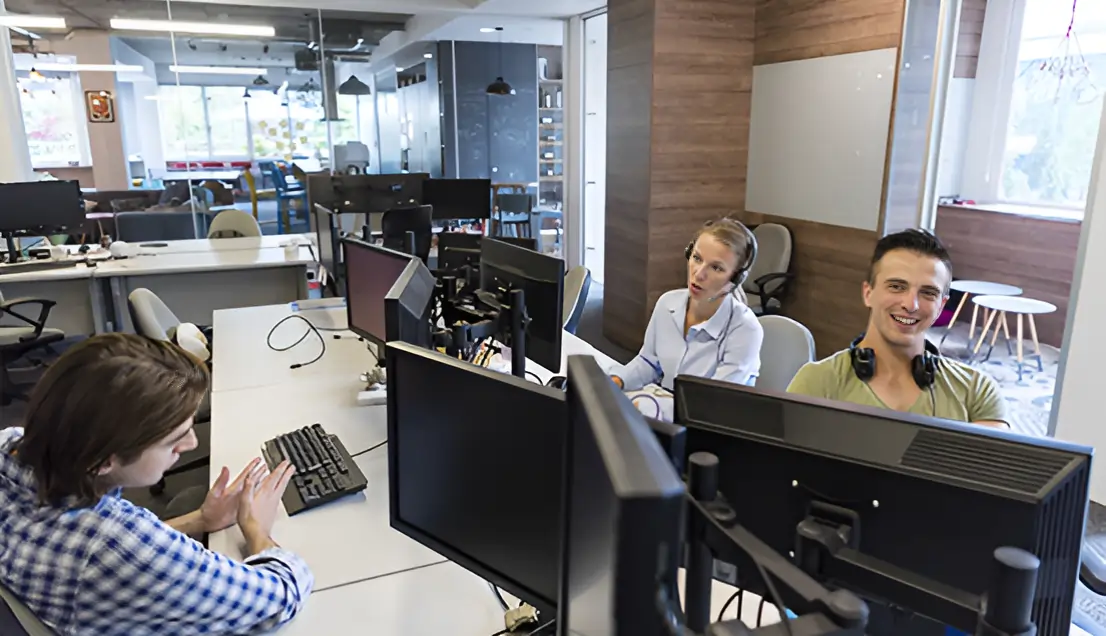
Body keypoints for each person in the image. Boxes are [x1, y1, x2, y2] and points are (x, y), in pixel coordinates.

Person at [0, 333, 312, 635]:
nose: (191, 444)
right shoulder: (116, 543)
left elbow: (94, 546)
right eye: (174, 440)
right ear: (104, 461)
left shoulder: (10, 444)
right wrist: (256, 528)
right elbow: (281, 595)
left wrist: (201, 520)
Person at [787, 229, 1007, 427]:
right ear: (868, 293)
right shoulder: (816, 382)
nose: (911, 305)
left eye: (928, 293)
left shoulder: (977, 392)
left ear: (941, 306)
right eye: (896, 286)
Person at [610, 218, 764, 393]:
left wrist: (656, 403)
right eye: (697, 258)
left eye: (716, 268)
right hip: (667, 403)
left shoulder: (745, 330)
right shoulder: (667, 303)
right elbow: (649, 363)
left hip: (706, 409)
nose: (699, 274)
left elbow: (714, 400)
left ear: (735, 279)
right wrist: (616, 382)